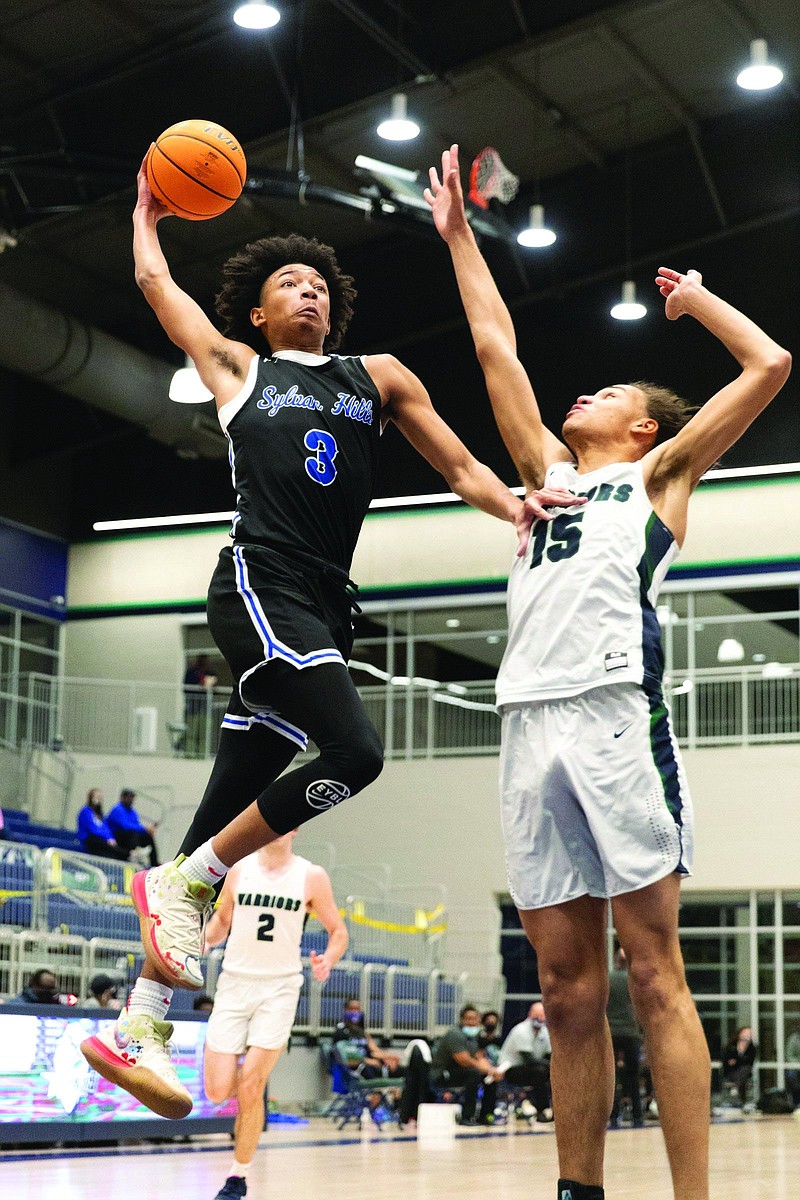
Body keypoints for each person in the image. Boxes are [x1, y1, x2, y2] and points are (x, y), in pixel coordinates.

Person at [80, 153, 565, 1118]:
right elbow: (153, 283)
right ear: (255, 315)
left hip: (326, 601)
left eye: (315, 282)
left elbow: (461, 461)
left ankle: (135, 1030)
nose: (304, 288)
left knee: (226, 799)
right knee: (354, 751)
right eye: (283, 285)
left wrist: (514, 502)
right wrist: (146, 212)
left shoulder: (375, 376)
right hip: (262, 583)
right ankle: (186, 880)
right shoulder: (238, 369)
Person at [425, 144, 791, 1200]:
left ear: (641, 427)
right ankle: (576, 1191)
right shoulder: (541, 477)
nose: (580, 392)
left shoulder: (659, 475)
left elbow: (767, 368)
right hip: (524, 723)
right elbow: (493, 343)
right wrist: (455, 237)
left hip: (613, 720)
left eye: (609, 389)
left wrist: (702, 303)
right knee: (561, 986)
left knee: (649, 971)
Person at [202, 831, 346, 1200]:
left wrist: (328, 959)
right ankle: (248, 1076)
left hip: (280, 988)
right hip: (234, 982)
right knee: (217, 1091)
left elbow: (338, 931)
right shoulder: (238, 868)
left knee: (252, 1085)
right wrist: (203, 938)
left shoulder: (311, 875)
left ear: (298, 828)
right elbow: (222, 921)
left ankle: (238, 1176)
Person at [430, 1003, 502, 1124]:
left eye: (475, 1019)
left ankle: (486, 1115)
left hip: (462, 1072)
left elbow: (480, 1057)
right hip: (443, 1073)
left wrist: (493, 1071)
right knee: (474, 1074)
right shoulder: (455, 1034)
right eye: (469, 1019)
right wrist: (486, 1069)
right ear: (462, 1020)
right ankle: (467, 1116)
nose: (472, 1022)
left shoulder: (474, 1037)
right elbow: (463, 1060)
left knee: (490, 1078)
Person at [497, 1001, 553, 1121]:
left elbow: (549, 1054)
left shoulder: (544, 1031)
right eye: (537, 1015)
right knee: (540, 1072)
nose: (540, 1018)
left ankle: (550, 1107)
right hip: (512, 1069)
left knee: (548, 1072)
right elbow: (528, 1058)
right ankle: (542, 1108)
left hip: (532, 1069)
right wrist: (549, 1066)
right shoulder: (521, 1030)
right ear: (530, 1014)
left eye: (542, 1015)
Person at [606, 949, 643, 1127]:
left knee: (612, 1077)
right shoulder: (633, 982)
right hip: (630, 1034)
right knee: (633, 1075)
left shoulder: (608, 980)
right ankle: (637, 1115)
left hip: (611, 1033)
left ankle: (613, 1116)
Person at [332, 996, 402, 1078]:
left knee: (401, 1070)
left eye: (357, 1009)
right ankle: (377, 1090)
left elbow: (374, 1051)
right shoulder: (341, 1031)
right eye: (351, 1009)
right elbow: (345, 1057)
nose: (355, 1012)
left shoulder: (363, 1032)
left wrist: (390, 1057)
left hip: (370, 1064)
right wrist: (367, 1061)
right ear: (345, 1010)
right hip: (354, 1069)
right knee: (370, 1069)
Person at [106, 787, 160, 866]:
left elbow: (137, 825)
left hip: (129, 836)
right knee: (133, 833)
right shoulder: (117, 809)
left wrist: (147, 830)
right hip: (118, 837)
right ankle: (132, 855)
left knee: (148, 837)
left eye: (132, 797)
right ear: (123, 797)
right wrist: (145, 828)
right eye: (129, 796)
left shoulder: (132, 812)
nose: (131, 799)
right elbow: (125, 826)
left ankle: (154, 863)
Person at [76, 788, 129, 860]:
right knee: (99, 840)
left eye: (100, 797)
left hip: (101, 840)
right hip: (89, 838)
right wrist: (107, 839)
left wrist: (111, 838)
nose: (99, 799)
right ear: (91, 798)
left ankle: (125, 855)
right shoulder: (85, 811)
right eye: (97, 797)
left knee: (112, 847)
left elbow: (106, 828)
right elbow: (93, 829)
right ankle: (128, 854)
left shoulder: (101, 815)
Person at [182, 654, 218, 757]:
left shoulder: (210, 673)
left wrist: (212, 685)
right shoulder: (191, 673)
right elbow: (186, 688)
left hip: (206, 708)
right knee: (191, 733)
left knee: (204, 734)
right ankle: (189, 754)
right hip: (193, 708)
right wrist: (200, 685)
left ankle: (202, 755)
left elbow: (215, 689)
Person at [723, 1026, 757, 1106]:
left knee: (745, 1069)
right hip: (731, 1072)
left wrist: (736, 1060)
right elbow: (727, 1061)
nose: (747, 1036)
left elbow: (749, 1062)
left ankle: (736, 1087)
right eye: (745, 1033)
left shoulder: (752, 1048)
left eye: (749, 1034)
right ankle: (738, 1089)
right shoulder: (731, 1046)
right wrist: (737, 1060)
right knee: (742, 1071)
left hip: (744, 1073)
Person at [785, 1022, 800, 1106]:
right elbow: (789, 1056)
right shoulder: (793, 1039)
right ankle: (796, 1101)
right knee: (791, 1074)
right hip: (795, 1066)